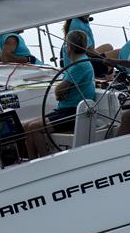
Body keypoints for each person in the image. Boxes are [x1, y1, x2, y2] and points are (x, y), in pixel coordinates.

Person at [23, 30, 95, 159]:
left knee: (34, 127)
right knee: (26, 126)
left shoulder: (80, 65)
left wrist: (61, 92)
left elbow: (60, 90)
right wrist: (61, 92)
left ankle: (44, 162)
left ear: (70, 47)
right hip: (65, 109)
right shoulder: (77, 63)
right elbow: (61, 90)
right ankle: (31, 162)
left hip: (74, 113)